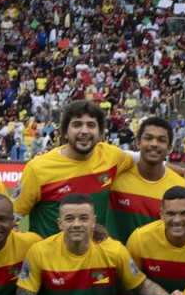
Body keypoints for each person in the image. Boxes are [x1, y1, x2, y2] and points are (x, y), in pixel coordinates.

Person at [14, 194, 172, 295]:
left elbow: (142, 285)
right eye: (69, 218)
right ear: (60, 223)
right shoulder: (39, 252)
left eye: (83, 218)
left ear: (93, 221)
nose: (76, 224)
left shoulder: (114, 250)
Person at [13, 100, 137, 236]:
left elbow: (143, 157)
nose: (84, 131)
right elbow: (11, 215)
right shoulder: (37, 168)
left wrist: (165, 165)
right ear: (65, 132)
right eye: (77, 125)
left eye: (91, 125)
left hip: (92, 255)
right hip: (50, 256)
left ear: (101, 132)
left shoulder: (112, 156)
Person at [108, 116, 185, 244]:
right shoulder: (116, 172)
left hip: (153, 262)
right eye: (148, 138)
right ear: (138, 142)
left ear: (169, 148)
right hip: (113, 261)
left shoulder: (179, 185)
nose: (154, 144)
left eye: (161, 140)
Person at [125, 186, 185, 293]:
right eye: (171, 214)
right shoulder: (140, 238)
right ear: (162, 214)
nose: (177, 220)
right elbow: (130, 283)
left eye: (184, 213)